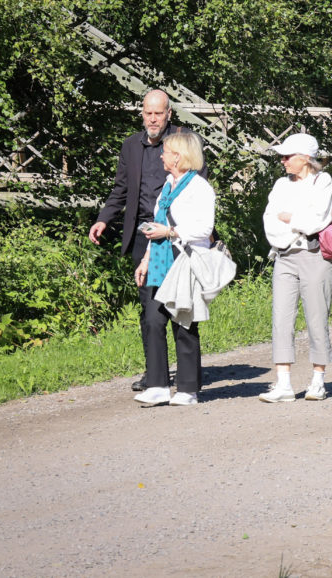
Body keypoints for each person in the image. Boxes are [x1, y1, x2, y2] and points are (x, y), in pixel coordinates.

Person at [89, 89, 207, 392]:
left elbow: (198, 187)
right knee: (150, 309)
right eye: (148, 113)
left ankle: (189, 378)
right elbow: (120, 189)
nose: (153, 119)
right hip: (146, 237)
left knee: (182, 308)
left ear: (169, 114)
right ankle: (155, 376)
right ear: (142, 113)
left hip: (179, 236)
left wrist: (177, 229)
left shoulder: (183, 141)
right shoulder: (131, 145)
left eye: (158, 113)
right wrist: (104, 218)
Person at [131, 131, 214, 406]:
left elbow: (205, 228)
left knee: (183, 322)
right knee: (153, 320)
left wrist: (169, 232)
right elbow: (156, 224)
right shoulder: (167, 185)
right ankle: (157, 385)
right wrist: (145, 259)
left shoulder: (199, 188)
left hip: (184, 259)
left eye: (165, 152)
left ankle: (188, 389)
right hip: (159, 260)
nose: (160, 156)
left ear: (178, 157)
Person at [258, 134, 332, 404]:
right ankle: (283, 383)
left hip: (314, 255)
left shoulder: (322, 181)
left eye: (288, 156)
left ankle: (318, 380)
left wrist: (290, 217)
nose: (283, 161)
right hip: (284, 255)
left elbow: (317, 220)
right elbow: (270, 220)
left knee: (317, 318)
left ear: (305, 158)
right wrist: (296, 223)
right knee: (281, 318)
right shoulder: (281, 184)